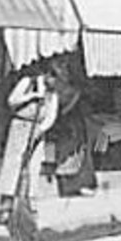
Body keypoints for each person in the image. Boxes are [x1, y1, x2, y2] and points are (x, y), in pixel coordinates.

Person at [0, 63, 61, 237]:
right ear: (46, 74)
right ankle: (6, 206)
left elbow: (51, 116)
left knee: (33, 167)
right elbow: (11, 101)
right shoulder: (27, 82)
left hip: (38, 129)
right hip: (20, 125)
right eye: (53, 77)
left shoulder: (53, 95)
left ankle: (30, 205)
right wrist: (32, 96)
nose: (54, 81)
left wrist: (41, 130)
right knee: (14, 164)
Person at [45, 62, 97, 198]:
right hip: (65, 123)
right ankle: (68, 186)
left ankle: (81, 184)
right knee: (67, 154)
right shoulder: (55, 86)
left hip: (77, 122)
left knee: (81, 153)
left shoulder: (68, 85)